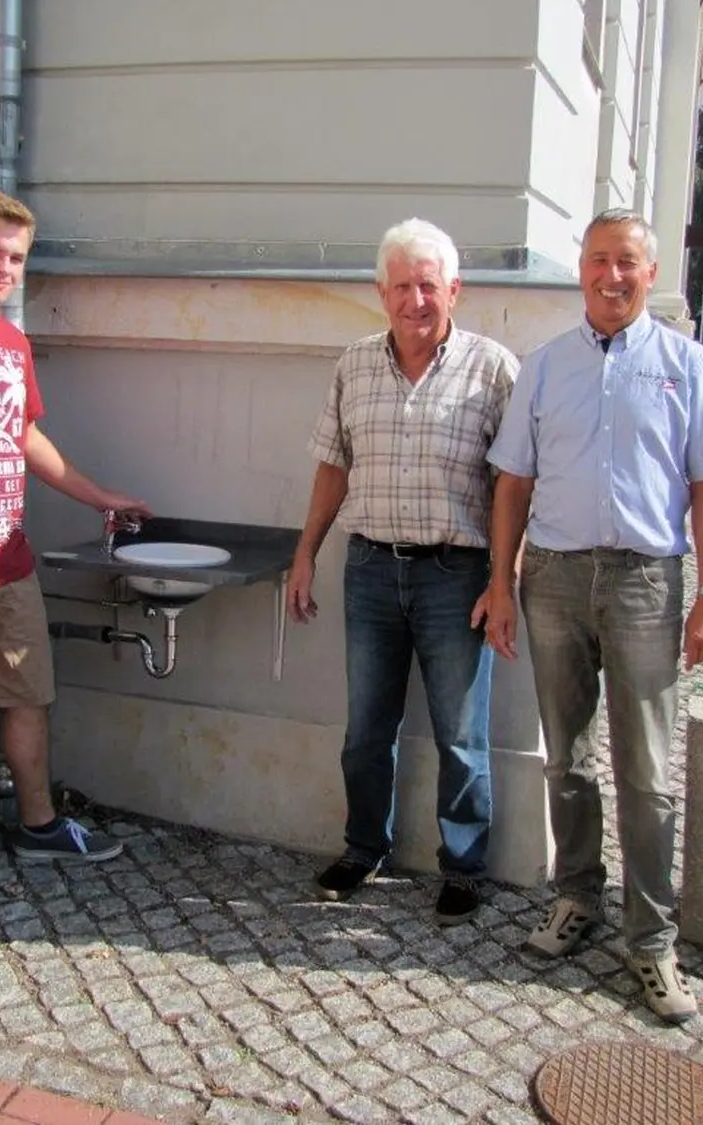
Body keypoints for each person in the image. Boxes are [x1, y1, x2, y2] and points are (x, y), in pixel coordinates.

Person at [473, 208, 703, 1024]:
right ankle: (577, 900)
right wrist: (501, 580)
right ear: (581, 271)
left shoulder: (687, 365)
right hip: (554, 580)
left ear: (649, 271)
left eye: (626, 261)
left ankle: (652, 940)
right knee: (567, 758)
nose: (611, 275)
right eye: (598, 260)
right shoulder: (546, 366)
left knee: (648, 773)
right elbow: (512, 485)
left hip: (645, 585)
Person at [0, 190, 152, 896]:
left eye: (16, 257)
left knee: (29, 695)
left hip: (10, 557)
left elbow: (24, 438)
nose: (4, 268)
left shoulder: (11, 343)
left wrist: (99, 494)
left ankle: (38, 821)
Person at [287, 218, 518, 926]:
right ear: (380, 292)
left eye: (429, 285)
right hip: (371, 569)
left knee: (459, 733)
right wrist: (306, 551)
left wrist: (503, 579)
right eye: (401, 285)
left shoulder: (493, 367)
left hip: (458, 575)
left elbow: (515, 483)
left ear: (455, 290)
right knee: (366, 728)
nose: (415, 298)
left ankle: (465, 865)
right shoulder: (353, 364)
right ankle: (364, 846)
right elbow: (334, 464)